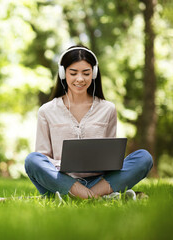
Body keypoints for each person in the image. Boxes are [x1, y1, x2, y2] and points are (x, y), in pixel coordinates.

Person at [24, 45, 153, 199]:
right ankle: (96, 196)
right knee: (32, 160)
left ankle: (79, 196)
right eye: (73, 73)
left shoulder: (108, 109)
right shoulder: (47, 110)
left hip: (100, 180)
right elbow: (42, 158)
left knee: (144, 158)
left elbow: (110, 157)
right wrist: (62, 167)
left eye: (86, 73)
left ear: (94, 73)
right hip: (60, 180)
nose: (80, 79)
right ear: (63, 73)